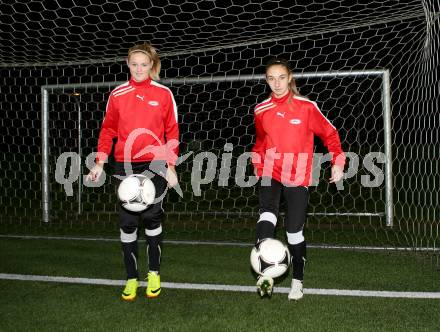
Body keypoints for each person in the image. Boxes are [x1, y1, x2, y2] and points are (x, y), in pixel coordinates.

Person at [86, 42, 179, 301]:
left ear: (152, 65)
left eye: (144, 64)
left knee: (151, 217)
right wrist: (99, 162)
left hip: (155, 164)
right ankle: (130, 278)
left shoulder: (163, 94)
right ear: (128, 64)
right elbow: (108, 131)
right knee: (127, 223)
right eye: (134, 64)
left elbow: (172, 131)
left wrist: (171, 166)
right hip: (124, 165)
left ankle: (153, 273)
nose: (139, 69)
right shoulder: (118, 94)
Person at [251, 58, 345, 300]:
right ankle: (265, 276)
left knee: (293, 232)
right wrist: (257, 164)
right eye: (271, 78)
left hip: (298, 174)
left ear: (290, 78)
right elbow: (260, 142)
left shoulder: (306, 107)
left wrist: (338, 162)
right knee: (267, 215)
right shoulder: (261, 110)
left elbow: (330, 134)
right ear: (266, 80)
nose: (277, 83)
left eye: (281, 77)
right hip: (271, 170)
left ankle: (297, 281)